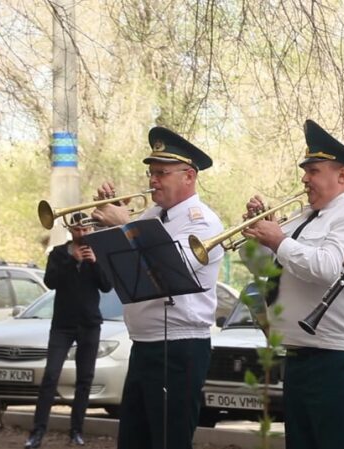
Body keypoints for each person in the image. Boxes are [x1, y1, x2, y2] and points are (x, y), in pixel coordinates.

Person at [240, 119, 344, 449]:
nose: (305, 178)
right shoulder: (306, 216)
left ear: (342, 175)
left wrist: (278, 240)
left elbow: (330, 268)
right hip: (302, 353)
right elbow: (268, 269)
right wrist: (257, 238)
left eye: (314, 170)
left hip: (341, 355)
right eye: (305, 170)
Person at [90, 127, 224, 449]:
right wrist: (105, 227)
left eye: (162, 173)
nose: (153, 181)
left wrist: (122, 226)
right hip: (144, 343)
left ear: (188, 176)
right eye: (152, 173)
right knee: (134, 440)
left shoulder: (202, 221)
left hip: (180, 345)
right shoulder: (151, 215)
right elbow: (120, 270)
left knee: (168, 440)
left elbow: (167, 270)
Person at [24, 212, 113, 449]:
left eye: (85, 230)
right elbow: (50, 282)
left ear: (91, 230)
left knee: (84, 379)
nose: (82, 234)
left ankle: (76, 431)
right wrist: (71, 260)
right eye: (77, 230)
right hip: (62, 325)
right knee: (51, 376)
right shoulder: (58, 253)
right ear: (70, 230)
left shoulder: (98, 253)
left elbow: (106, 286)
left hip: (89, 324)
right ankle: (37, 432)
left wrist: (94, 263)